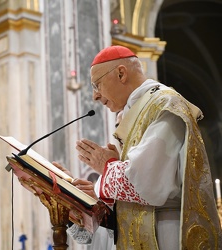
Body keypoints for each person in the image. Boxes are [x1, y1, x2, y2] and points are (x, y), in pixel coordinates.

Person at [58, 45, 222, 249]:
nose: (95, 96)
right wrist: (83, 197)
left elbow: (147, 183)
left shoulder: (165, 105)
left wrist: (106, 165)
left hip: (164, 232)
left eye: (97, 84)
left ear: (121, 73)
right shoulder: (136, 110)